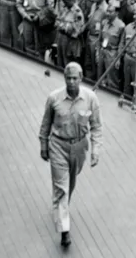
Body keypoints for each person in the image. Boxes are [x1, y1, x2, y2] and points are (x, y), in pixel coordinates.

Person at [38, 63, 103, 247]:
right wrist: (44, 144)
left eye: (75, 78)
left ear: (81, 79)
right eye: (68, 78)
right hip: (58, 145)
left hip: (79, 147)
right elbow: (46, 123)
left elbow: (97, 126)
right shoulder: (54, 99)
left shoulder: (90, 98)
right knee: (61, 188)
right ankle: (64, 230)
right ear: (64, 78)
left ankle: (62, 208)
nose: (72, 82)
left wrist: (96, 150)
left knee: (70, 184)